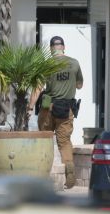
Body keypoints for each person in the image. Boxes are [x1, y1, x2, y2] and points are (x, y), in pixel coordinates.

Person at [28, 36, 83, 189]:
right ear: (63, 47)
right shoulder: (74, 63)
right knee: (64, 142)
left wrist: (30, 107)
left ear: (51, 49)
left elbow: (38, 88)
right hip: (66, 108)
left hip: (48, 107)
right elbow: (79, 85)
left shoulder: (46, 64)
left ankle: (41, 176)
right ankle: (69, 172)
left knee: (44, 140)